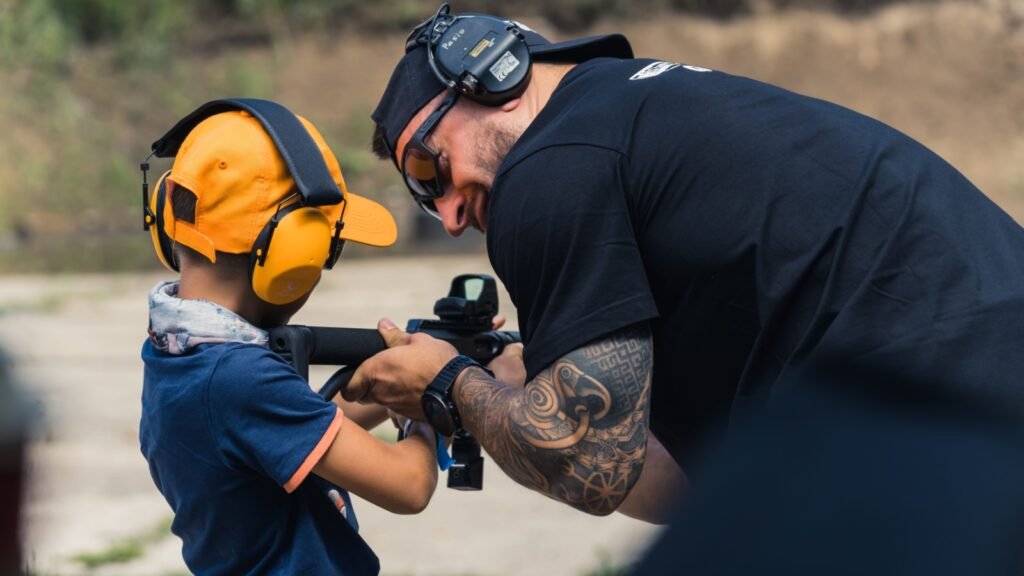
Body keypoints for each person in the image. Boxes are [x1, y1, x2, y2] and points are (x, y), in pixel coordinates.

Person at [349, 2, 1024, 526]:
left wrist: (449, 383)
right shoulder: (631, 118)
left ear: (490, 76)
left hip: (936, 415)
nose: (448, 215)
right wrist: (509, 389)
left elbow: (586, 463)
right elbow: (678, 483)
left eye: (426, 167)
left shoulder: (547, 166)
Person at [139, 103, 438, 575]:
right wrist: (429, 399)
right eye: (327, 249)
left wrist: (391, 384)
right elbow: (408, 486)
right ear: (293, 255)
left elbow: (295, 431)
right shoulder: (241, 379)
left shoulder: (178, 350)